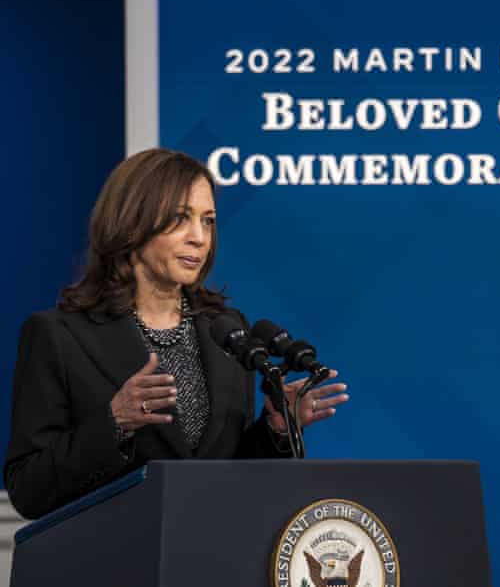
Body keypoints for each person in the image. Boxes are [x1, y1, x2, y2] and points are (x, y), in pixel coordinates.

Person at [3, 149, 349, 519]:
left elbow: (229, 473)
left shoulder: (228, 332)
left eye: (208, 221)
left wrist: (275, 431)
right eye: (180, 219)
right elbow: (29, 490)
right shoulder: (58, 335)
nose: (199, 238)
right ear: (131, 222)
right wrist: (114, 423)